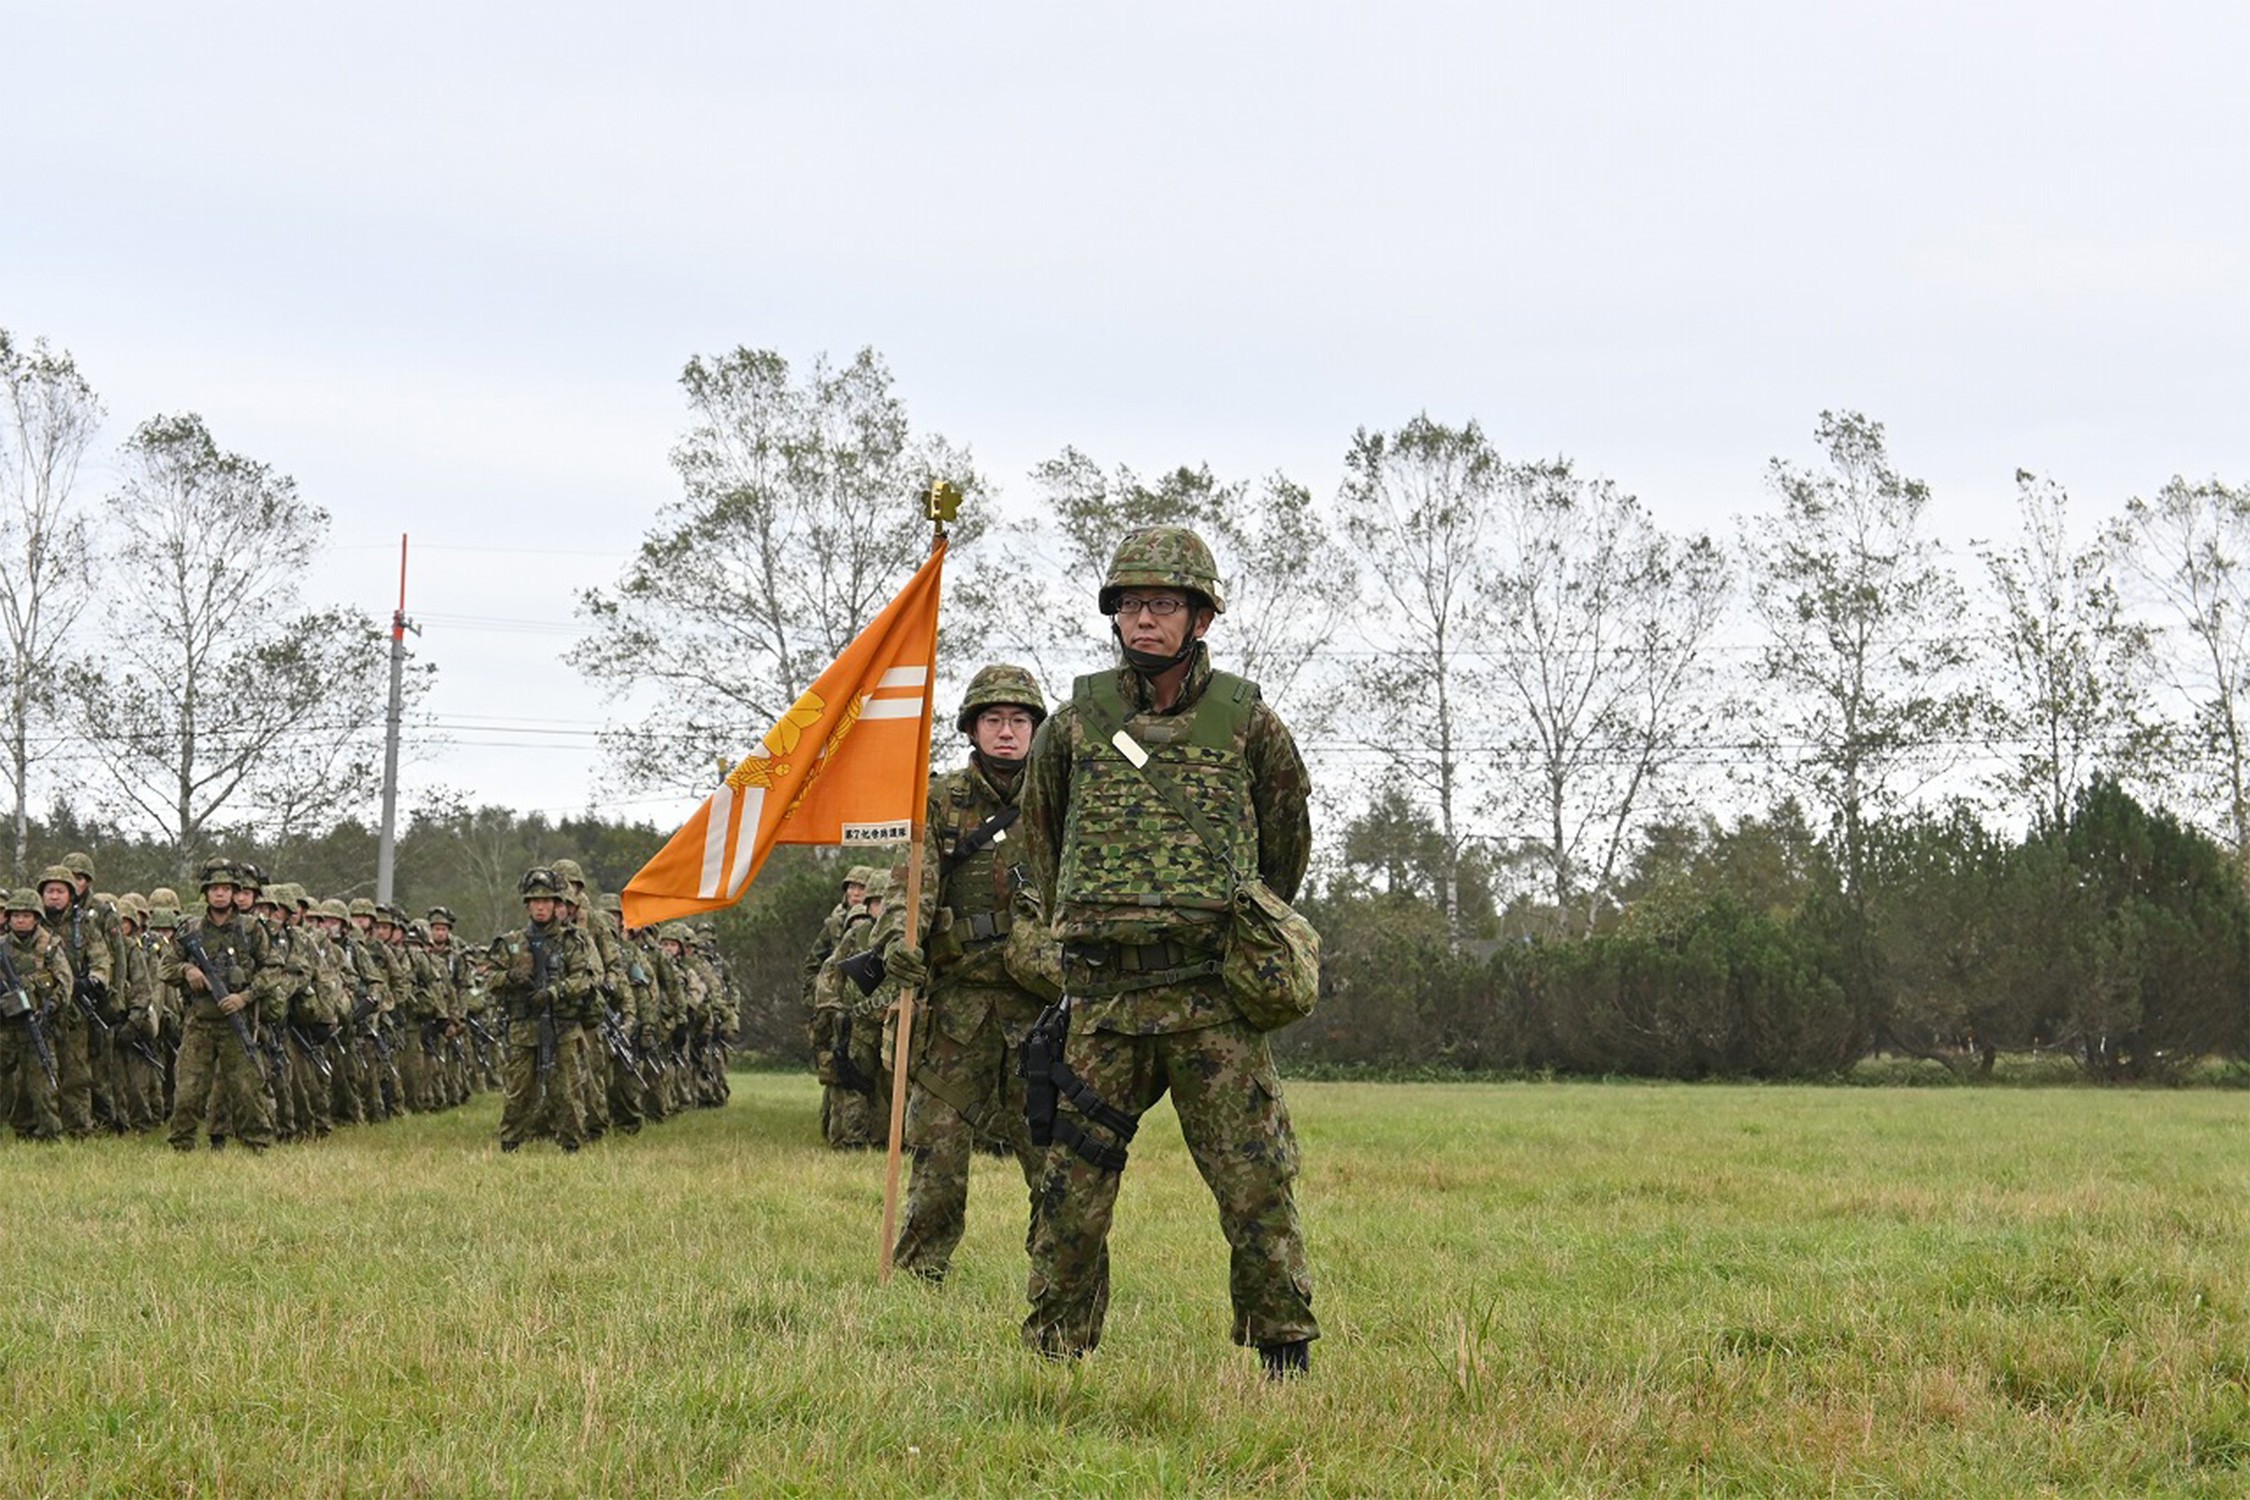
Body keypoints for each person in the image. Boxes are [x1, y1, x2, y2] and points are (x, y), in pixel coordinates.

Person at [1017, 525, 1319, 1376]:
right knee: (1069, 1196)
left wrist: (1229, 928)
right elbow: (1042, 850)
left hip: (1210, 1001)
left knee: (1256, 1184)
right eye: (1132, 605)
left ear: (1200, 618)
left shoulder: (1249, 725)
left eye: (1164, 605)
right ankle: (1054, 1358)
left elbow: (1284, 850)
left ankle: (1283, 1353)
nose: (1145, 620)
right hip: (1106, 1007)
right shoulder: (1073, 726)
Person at [881, 664, 1055, 1283]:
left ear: (1035, 728)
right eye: (993, 720)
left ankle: (1058, 1272)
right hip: (958, 1012)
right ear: (973, 728)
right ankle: (919, 1271)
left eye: (1018, 720)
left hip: (1042, 1012)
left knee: (1055, 1154)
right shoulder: (940, 800)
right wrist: (898, 945)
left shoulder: (1062, 799)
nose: (1006, 732)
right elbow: (911, 886)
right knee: (938, 1150)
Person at [162, 859, 285, 1152]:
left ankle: (256, 1145)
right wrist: (187, 971)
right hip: (200, 1022)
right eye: (214, 889)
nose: (220, 894)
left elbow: (274, 969)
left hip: (237, 1022)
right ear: (206, 893)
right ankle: (181, 1146)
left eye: (226, 889)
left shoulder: (251, 929)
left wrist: (245, 996)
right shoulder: (190, 929)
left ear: (235, 893)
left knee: (247, 1088)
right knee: (189, 1090)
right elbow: (165, 967)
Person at [487, 866, 599, 1152]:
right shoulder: (511, 943)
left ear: (556, 905)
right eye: (535, 901)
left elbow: (584, 980)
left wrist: (553, 992)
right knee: (518, 1089)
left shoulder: (572, 941)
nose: (541, 907)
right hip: (523, 1026)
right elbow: (488, 981)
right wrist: (510, 977)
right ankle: (510, 1143)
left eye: (547, 901)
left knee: (567, 1090)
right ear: (527, 906)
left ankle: (571, 1145)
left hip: (562, 1026)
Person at [0, 886, 73, 1141]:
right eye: (15, 915)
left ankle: (50, 1135)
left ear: (37, 918)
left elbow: (65, 983)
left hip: (37, 1025)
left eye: (26, 915)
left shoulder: (49, 947)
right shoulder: (2, 948)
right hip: (5, 1028)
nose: (20, 920)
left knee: (43, 1084)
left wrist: (51, 1006)